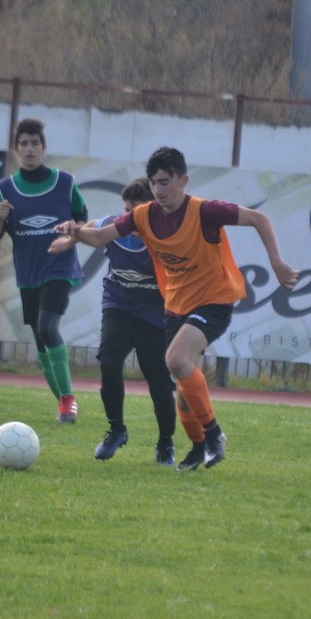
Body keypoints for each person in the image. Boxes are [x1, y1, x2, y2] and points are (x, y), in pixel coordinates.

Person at [56, 146, 299, 470]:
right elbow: (100, 236)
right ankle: (198, 448)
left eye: (165, 182)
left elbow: (259, 218)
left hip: (214, 300)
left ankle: (213, 436)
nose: (158, 190)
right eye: (154, 183)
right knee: (184, 392)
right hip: (175, 307)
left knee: (174, 360)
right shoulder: (144, 215)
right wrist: (75, 232)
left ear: (183, 180)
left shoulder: (206, 211)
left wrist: (277, 261)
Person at [49, 178, 177, 465]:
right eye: (126, 210)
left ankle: (165, 444)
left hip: (154, 314)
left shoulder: (166, 235)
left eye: (136, 210)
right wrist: (69, 239)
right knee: (108, 362)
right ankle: (116, 430)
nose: (128, 217)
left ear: (152, 209)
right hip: (119, 305)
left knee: (159, 382)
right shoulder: (115, 226)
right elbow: (93, 226)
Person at [0, 117, 89, 423]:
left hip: (59, 268)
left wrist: (72, 235)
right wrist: (0, 217)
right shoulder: (4, 189)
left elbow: (82, 219)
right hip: (28, 274)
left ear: (44, 147)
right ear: (16, 150)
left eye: (35, 143)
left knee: (47, 328)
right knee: (40, 340)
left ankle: (68, 400)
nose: (30, 149)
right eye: (24, 144)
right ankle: (63, 402)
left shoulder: (65, 182)